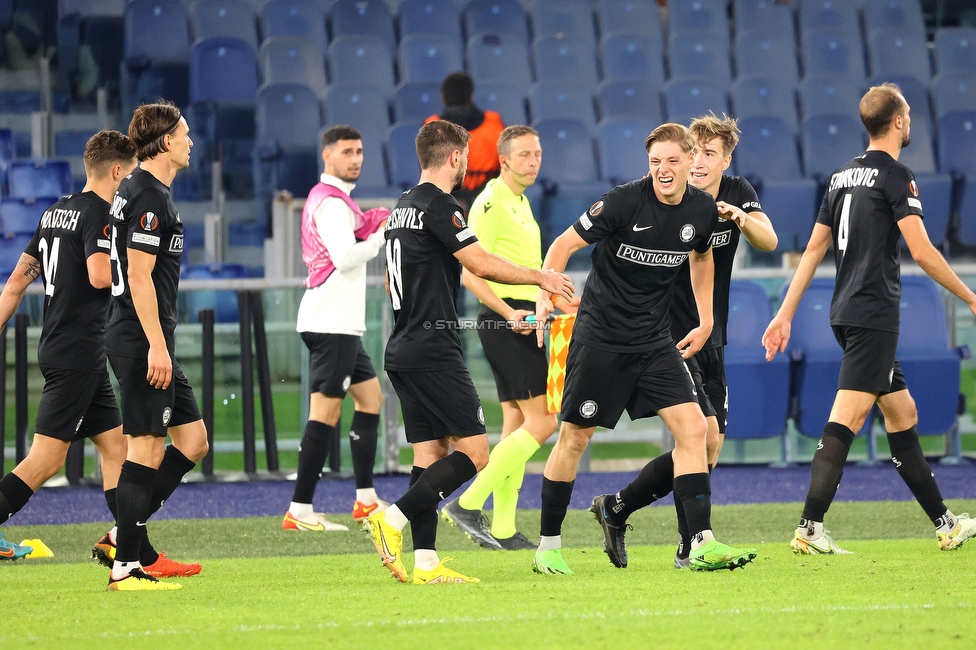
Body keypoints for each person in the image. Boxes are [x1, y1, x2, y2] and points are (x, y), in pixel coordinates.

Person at [531, 122, 757, 575]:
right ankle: (548, 546)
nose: (664, 170)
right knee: (574, 437)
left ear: (690, 158)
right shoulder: (622, 201)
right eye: (656, 162)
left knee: (695, 430)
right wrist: (544, 289)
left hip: (654, 340)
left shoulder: (702, 208)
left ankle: (700, 542)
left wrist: (707, 318)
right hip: (601, 338)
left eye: (673, 160)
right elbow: (563, 244)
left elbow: (701, 257)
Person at [763, 83, 976, 555]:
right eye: (909, 114)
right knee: (849, 416)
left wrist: (784, 311)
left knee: (903, 413)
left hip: (846, 311)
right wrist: (970, 297)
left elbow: (815, 249)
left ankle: (945, 523)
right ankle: (810, 526)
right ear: (899, 121)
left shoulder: (839, 177)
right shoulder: (897, 176)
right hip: (874, 313)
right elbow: (921, 251)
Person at [363, 120, 574, 585]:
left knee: (429, 455)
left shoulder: (401, 208)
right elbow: (477, 263)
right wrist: (540, 277)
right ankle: (391, 519)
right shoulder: (441, 206)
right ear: (456, 157)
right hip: (434, 350)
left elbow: (388, 279)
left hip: (402, 345)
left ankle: (426, 564)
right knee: (476, 453)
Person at [589, 114, 778, 570]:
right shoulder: (668, 195)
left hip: (713, 332)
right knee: (700, 434)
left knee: (707, 449)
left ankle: (617, 507)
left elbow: (769, 241)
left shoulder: (737, 193)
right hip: (668, 334)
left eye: (709, 153)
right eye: (695, 151)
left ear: (725, 159)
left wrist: (741, 218)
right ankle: (692, 543)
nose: (698, 161)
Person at [0, 131, 137, 562]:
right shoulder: (100, 214)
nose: (130, 186)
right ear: (116, 171)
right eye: (130, 176)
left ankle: (125, 542)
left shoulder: (56, 211)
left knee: (115, 446)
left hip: (73, 349)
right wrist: (139, 272)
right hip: (77, 351)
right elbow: (99, 276)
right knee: (45, 461)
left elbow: (18, 280)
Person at [442, 125, 576, 551]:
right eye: (524, 155)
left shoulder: (519, 202)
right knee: (543, 423)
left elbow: (529, 267)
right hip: (507, 321)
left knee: (517, 424)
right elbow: (469, 270)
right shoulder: (490, 202)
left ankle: (500, 528)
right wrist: (508, 312)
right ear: (503, 160)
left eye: (537, 153)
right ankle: (467, 502)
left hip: (520, 317)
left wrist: (549, 300)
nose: (533, 161)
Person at [102, 101, 209, 591]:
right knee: (144, 448)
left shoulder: (138, 189)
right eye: (185, 133)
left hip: (141, 334)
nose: (191, 140)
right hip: (141, 337)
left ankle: (122, 535)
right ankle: (127, 564)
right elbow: (140, 277)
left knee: (193, 441)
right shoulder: (149, 196)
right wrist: (157, 346)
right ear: (166, 141)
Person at [282, 125, 389, 533]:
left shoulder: (335, 201)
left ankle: (364, 499)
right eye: (347, 151)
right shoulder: (331, 203)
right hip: (332, 324)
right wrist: (380, 236)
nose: (356, 158)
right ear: (327, 156)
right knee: (324, 414)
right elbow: (345, 258)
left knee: (371, 398)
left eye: (360, 151)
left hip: (340, 323)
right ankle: (300, 509)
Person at [424, 71, 505, 212]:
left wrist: (458, 198)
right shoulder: (495, 123)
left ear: (443, 98)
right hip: (490, 204)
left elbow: (431, 172)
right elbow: (504, 166)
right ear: (471, 96)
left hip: (446, 208)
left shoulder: (432, 126)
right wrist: (478, 197)